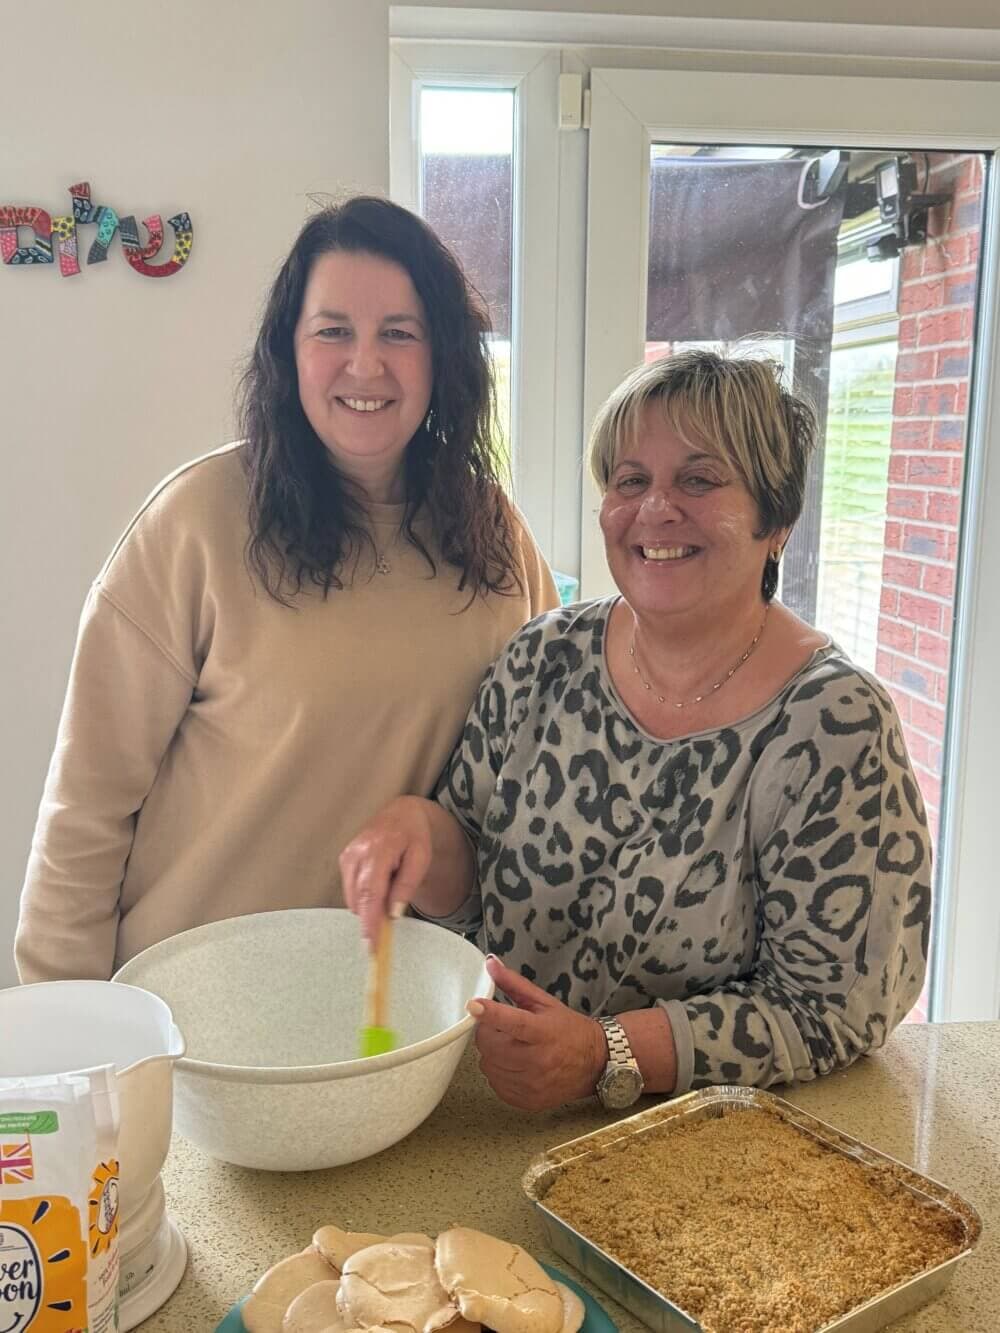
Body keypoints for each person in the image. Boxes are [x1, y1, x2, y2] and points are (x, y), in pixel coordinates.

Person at [340, 349, 931, 1112]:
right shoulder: (541, 658)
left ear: (776, 519)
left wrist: (606, 1053)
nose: (656, 508)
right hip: (493, 1111)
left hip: (701, 1153)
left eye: (699, 478)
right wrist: (416, 832)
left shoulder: (834, 724)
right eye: (630, 480)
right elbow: (472, 900)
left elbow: (837, 1006)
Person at [15, 196, 557, 983]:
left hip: (389, 1014)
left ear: (443, 356)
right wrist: (75, 1040)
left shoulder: (493, 532)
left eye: (399, 334)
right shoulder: (196, 521)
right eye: (333, 330)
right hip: (185, 1010)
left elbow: (538, 775)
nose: (365, 364)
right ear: (289, 351)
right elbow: (85, 816)